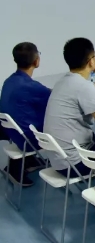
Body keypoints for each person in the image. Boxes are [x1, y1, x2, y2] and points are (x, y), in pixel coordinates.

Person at [44, 38, 95, 178]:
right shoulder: (83, 86)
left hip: (59, 161)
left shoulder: (63, 81)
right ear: (91, 61)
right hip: (76, 163)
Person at [0, 42, 51, 186]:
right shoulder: (31, 87)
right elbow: (55, 99)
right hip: (28, 140)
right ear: (36, 61)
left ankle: (29, 161)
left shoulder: (9, 81)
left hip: (11, 133)